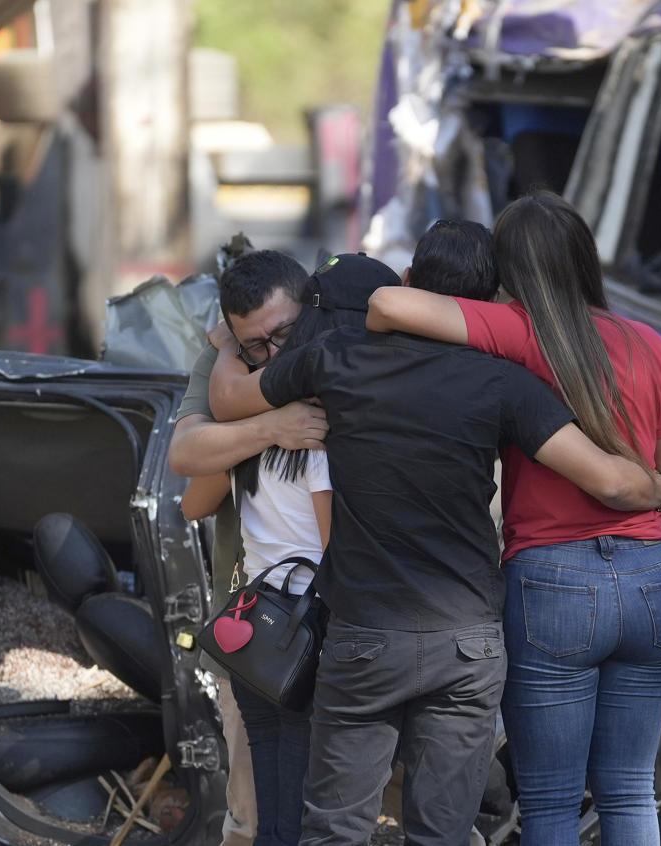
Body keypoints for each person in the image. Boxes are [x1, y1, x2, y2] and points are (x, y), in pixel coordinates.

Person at [209, 219, 661, 846]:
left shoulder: (334, 359)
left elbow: (233, 401)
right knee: (444, 837)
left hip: (365, 635)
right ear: (489, 306)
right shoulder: (505, 383)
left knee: (335, 831)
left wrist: (224, 348)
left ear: (410, 283)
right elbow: (614, 484)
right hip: (468, 642)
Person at [367, 193, 661, 845]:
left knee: (549, 803)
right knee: (630, 792)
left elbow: (386, 305)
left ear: (507, 268)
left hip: (553, 583)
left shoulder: (514, 329)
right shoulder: (647, 344)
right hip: (652, 573)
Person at [168, 248, 399, 845]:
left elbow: (200, 486)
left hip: (253, 635)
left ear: (312, 310)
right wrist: (267, 425)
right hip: (300, 634)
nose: (273, 356)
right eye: (255, 347)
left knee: (275, 814)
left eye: (284, 335)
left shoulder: (272, 406)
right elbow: (331, 545)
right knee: (290, 816)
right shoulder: (302, 423)